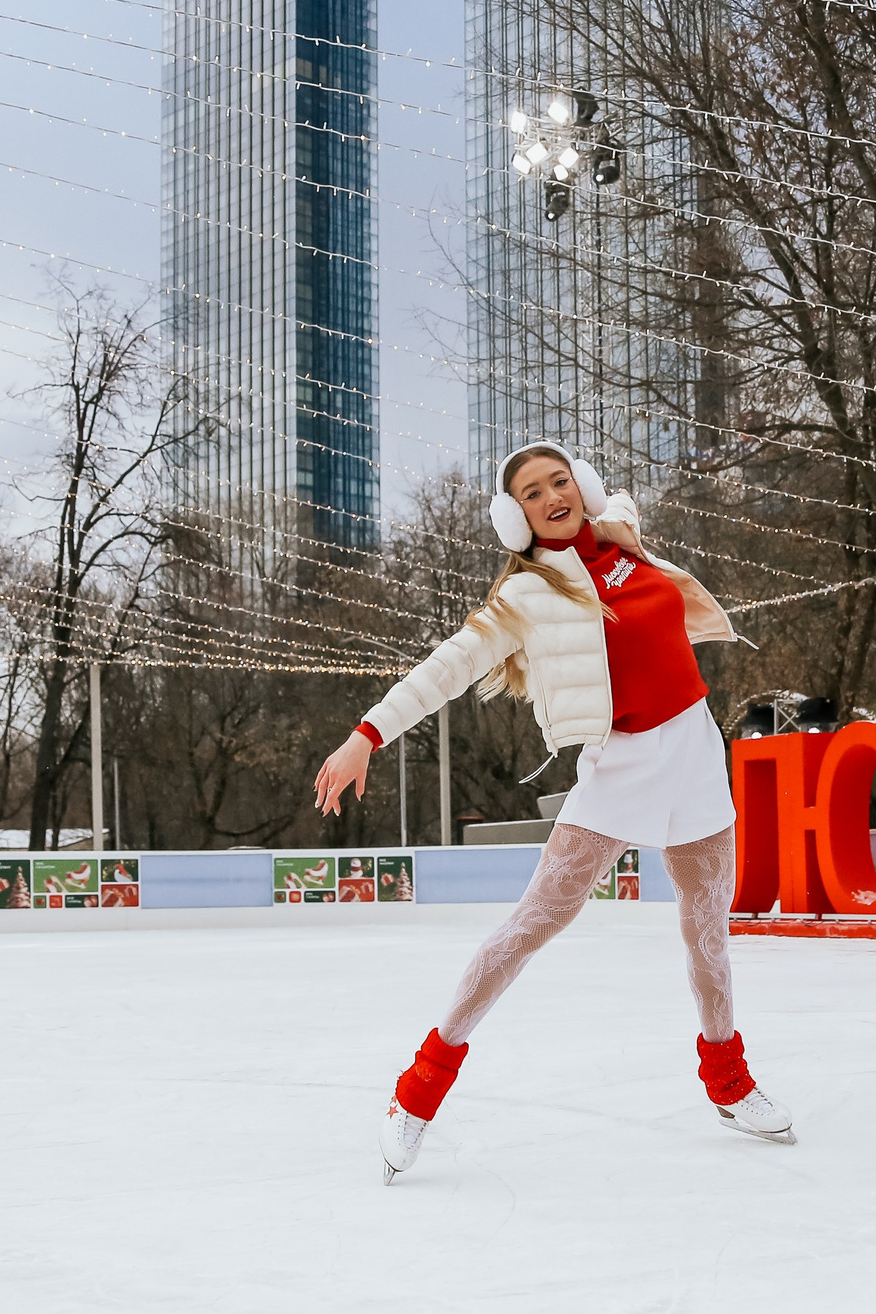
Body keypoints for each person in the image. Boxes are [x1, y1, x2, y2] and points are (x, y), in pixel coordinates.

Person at [314, 441, 795, 1183]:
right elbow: (446, 665)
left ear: (583, 485)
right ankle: (416, 1095)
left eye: (560, 480)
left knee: (708, 932)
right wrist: (365, 735)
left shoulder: (623, 537)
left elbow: (651, 568)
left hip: (696, 751)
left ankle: (729, 1084)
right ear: (516, 516)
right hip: (622, 764)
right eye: (533, 491)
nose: (552, 495)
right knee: (531, 925)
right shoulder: (524, 597)